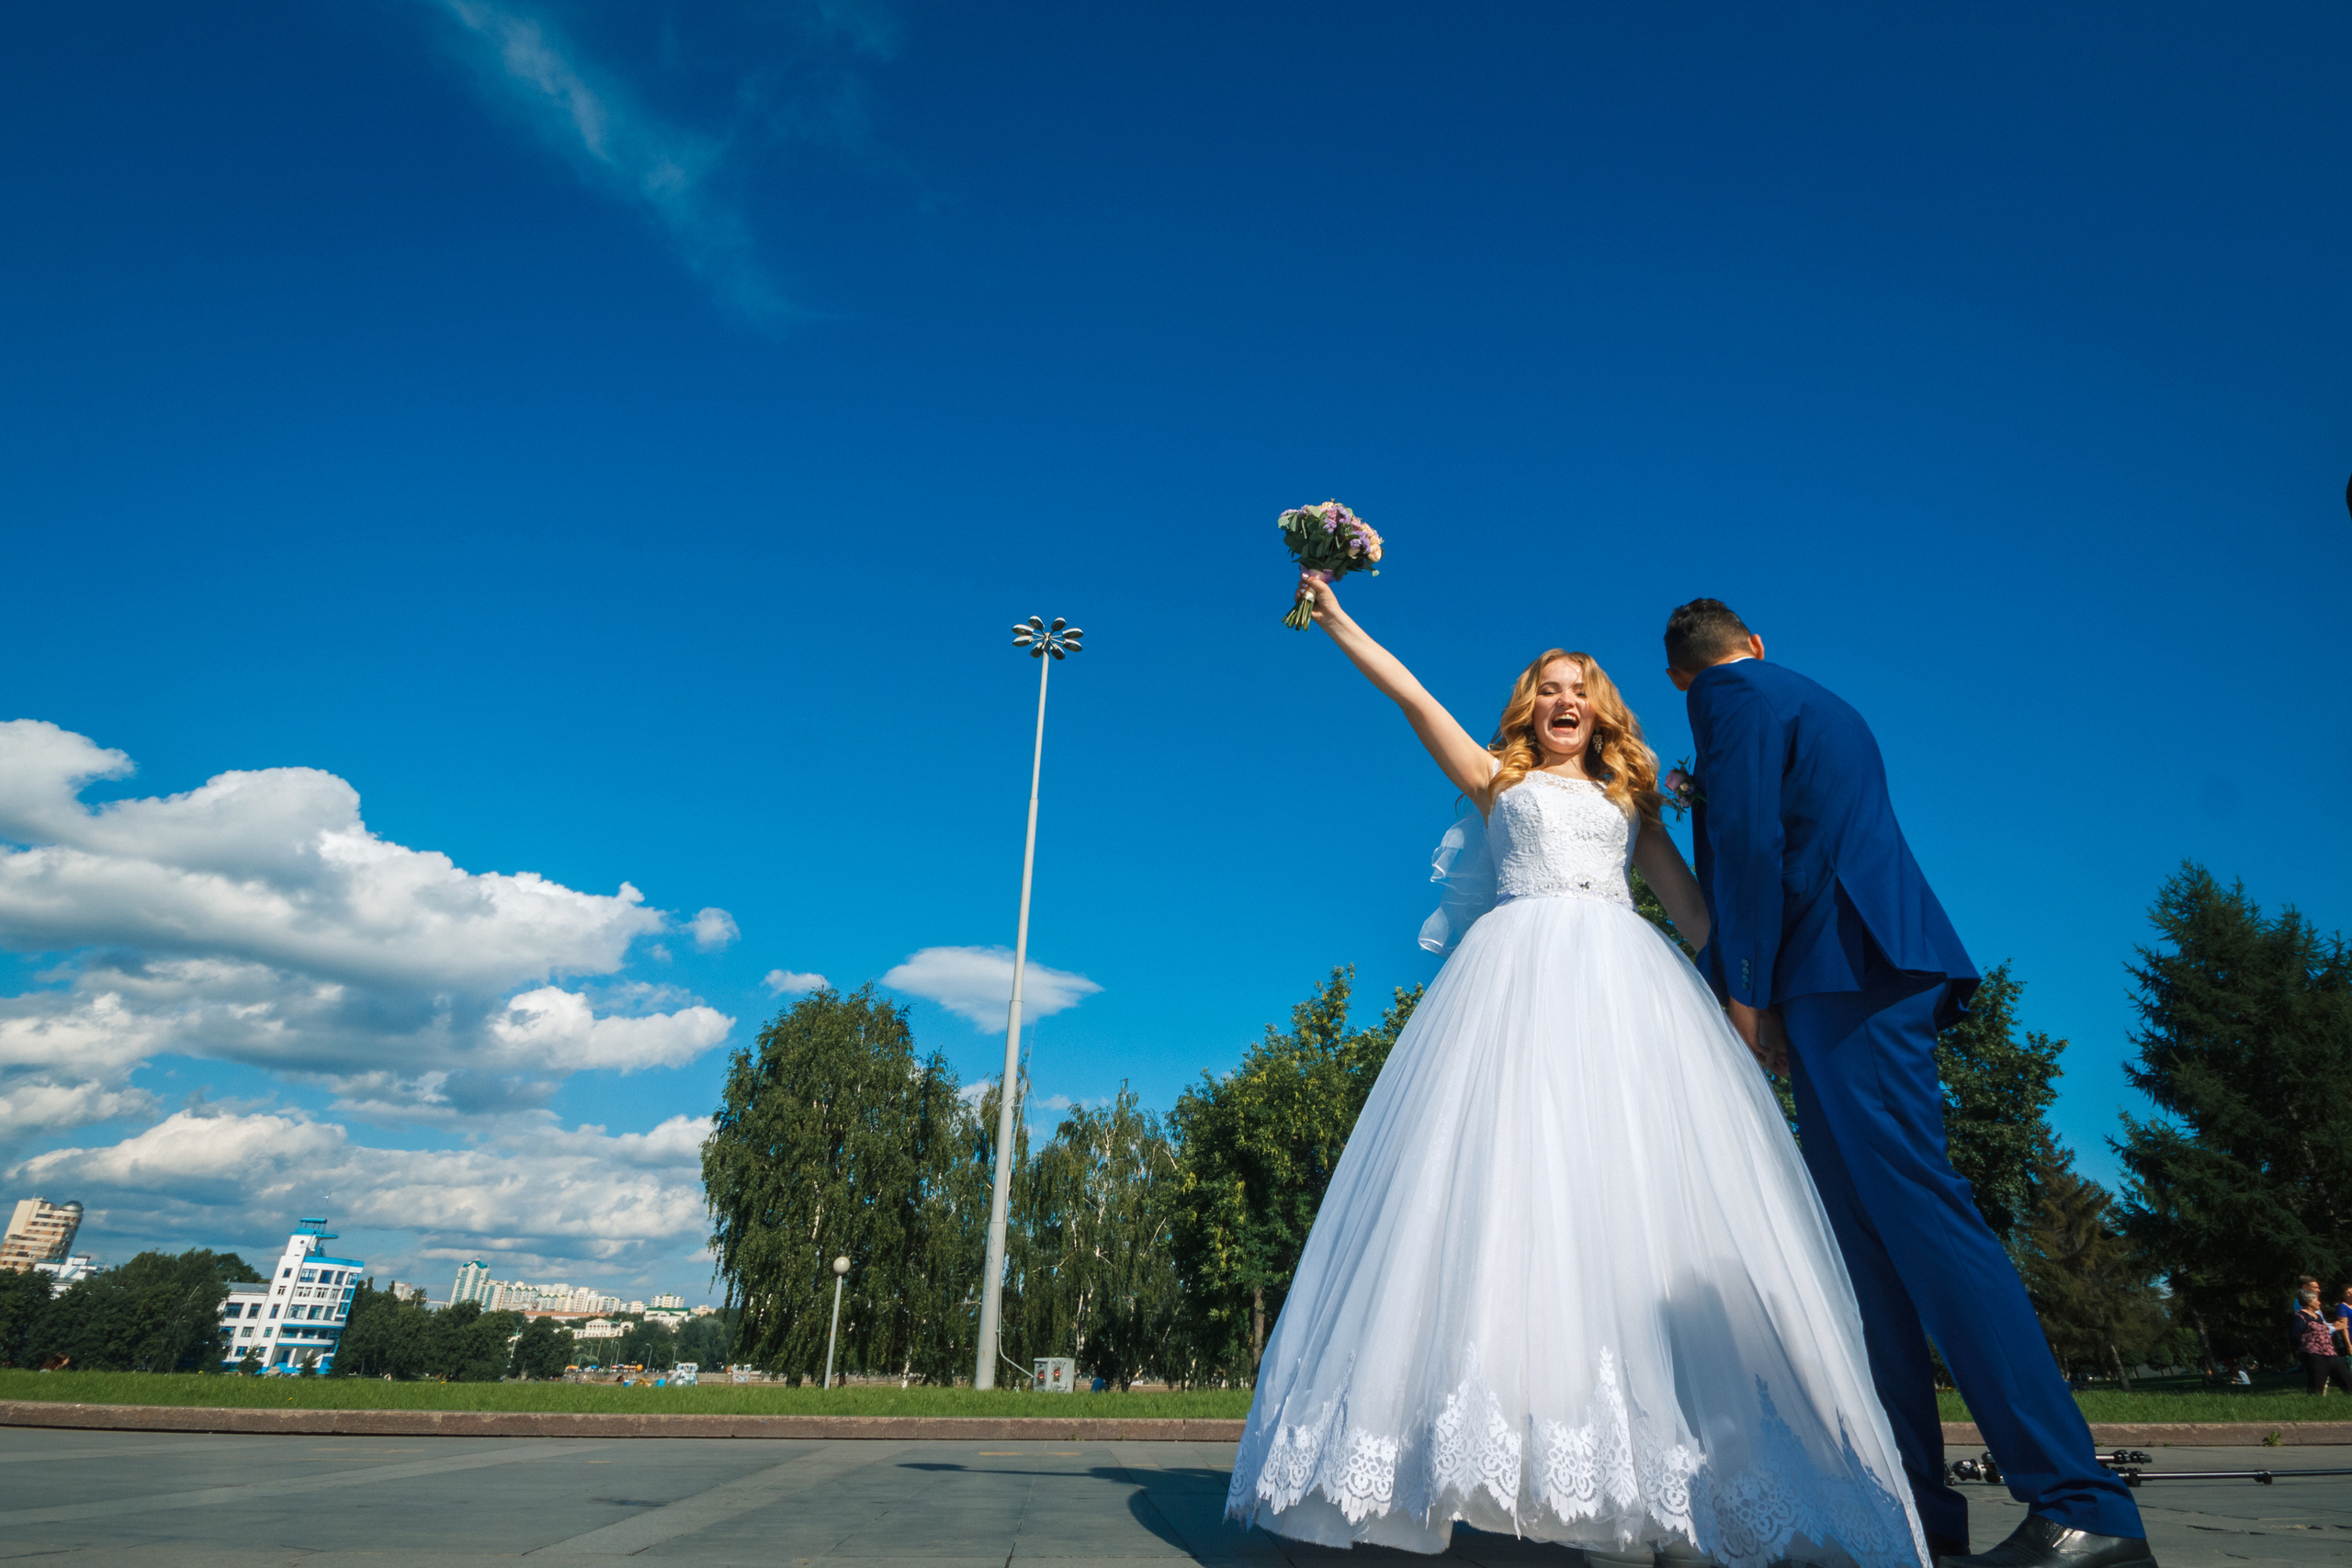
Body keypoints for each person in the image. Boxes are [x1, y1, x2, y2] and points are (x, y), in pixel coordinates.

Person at [1223, 571, 1931, 1568]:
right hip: (1507, 1001)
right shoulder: (1494, 781)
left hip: (1627, 999)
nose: (1563, 701)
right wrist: (1338, 618)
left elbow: (1692, 915)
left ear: (1600, 713)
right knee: (1514, 1201)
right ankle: (1557, 1472)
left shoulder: (1631, 803)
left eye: (1579, 690)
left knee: (1638, 1204)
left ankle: (1671, 1483)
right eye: (1549, 688)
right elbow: (1413, 697)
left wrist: (1755, 1003)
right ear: (1528, 707)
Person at [1664, 598, 2150, 1568]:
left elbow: (1756, 843)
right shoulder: (1785, 691)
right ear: (1756, 635)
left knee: (1924, 1222)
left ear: (1691, 673)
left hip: (1849, 967)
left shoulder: (1730, 695)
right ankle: (1912, 1516)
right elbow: (1773, 821)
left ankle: (2080, 1501)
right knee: (1862, 1255)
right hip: (1830, 980)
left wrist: (1744, 997)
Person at [2292, 1283, 2351, 1395]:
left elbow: (2323, 1329)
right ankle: (2314, 1405)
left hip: (2329, 1352)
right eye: (2316, 1300)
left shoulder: (2317, 1316)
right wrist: (2297, 1351)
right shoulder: (2300, 1317)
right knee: (2316, 1387)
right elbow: (2295, 1335)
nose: (2319, 1302)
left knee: (2346, 1380)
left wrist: (2334, 1326)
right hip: (2314, 1354)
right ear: (2309, 1302)